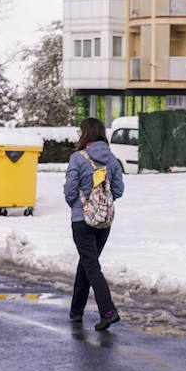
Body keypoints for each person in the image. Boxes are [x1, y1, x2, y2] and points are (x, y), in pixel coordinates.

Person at [64, 117, 125, 331]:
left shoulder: (77, 158)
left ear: (86, 133)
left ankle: (108, 312)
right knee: (88, 262)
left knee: (91, 264)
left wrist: (80, 205)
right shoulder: (112, 160)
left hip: (82, 220)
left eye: (80, 131)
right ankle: (76, 311)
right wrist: (101, 203)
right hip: (104, 222)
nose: (78, 134)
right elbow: (118, 190)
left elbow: (70, 191)